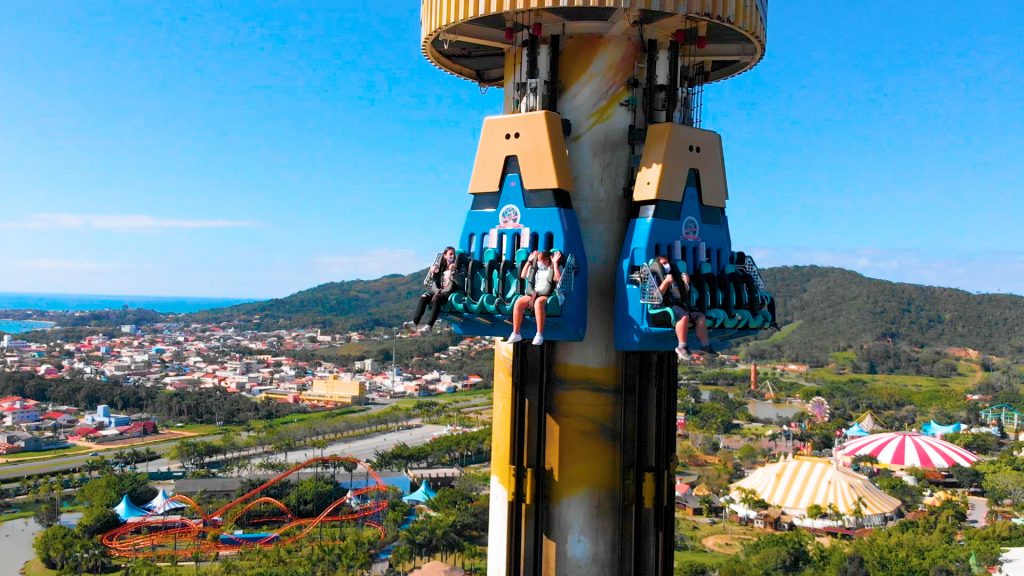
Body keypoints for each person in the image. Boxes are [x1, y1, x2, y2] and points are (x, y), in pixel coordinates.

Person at [655, 255, 712, 360]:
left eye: (667, 263)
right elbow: (655, 296)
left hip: (679, 305)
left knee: (700, 316)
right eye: (663, 263)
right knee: (683, 316)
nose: (666, 265)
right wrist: (666, 282)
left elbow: (682, 294)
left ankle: (705, 346)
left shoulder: (675, 277)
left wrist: (686, 283)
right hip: (665, 306)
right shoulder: (656, 276)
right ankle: (682, 347)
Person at [507, 250, 561, 345]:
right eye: (538, 260)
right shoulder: (536, 270)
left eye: (540, 260)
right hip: (534, 293)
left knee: (538, 302)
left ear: (547, 260)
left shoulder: (552, 269)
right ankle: (516, 333)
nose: (539, 262)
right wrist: (529, 261)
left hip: (548, 295)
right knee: (519, 302)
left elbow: (557, 279)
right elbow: (523, 275)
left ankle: (539, 334)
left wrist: (555, 263)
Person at [405, 247, 464, 333]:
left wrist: (454, 271)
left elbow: (460, 283)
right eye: (450, 254)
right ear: (445, 256)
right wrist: (433, 273)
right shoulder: (440, 268)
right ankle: (414, 323)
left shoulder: (457, 268)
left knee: (437, 298)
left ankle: (429, 326)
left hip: (448, 294)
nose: (452, 256)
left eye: (453, 254)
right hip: (438, 292)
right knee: (424, 296)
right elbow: (435, 283)